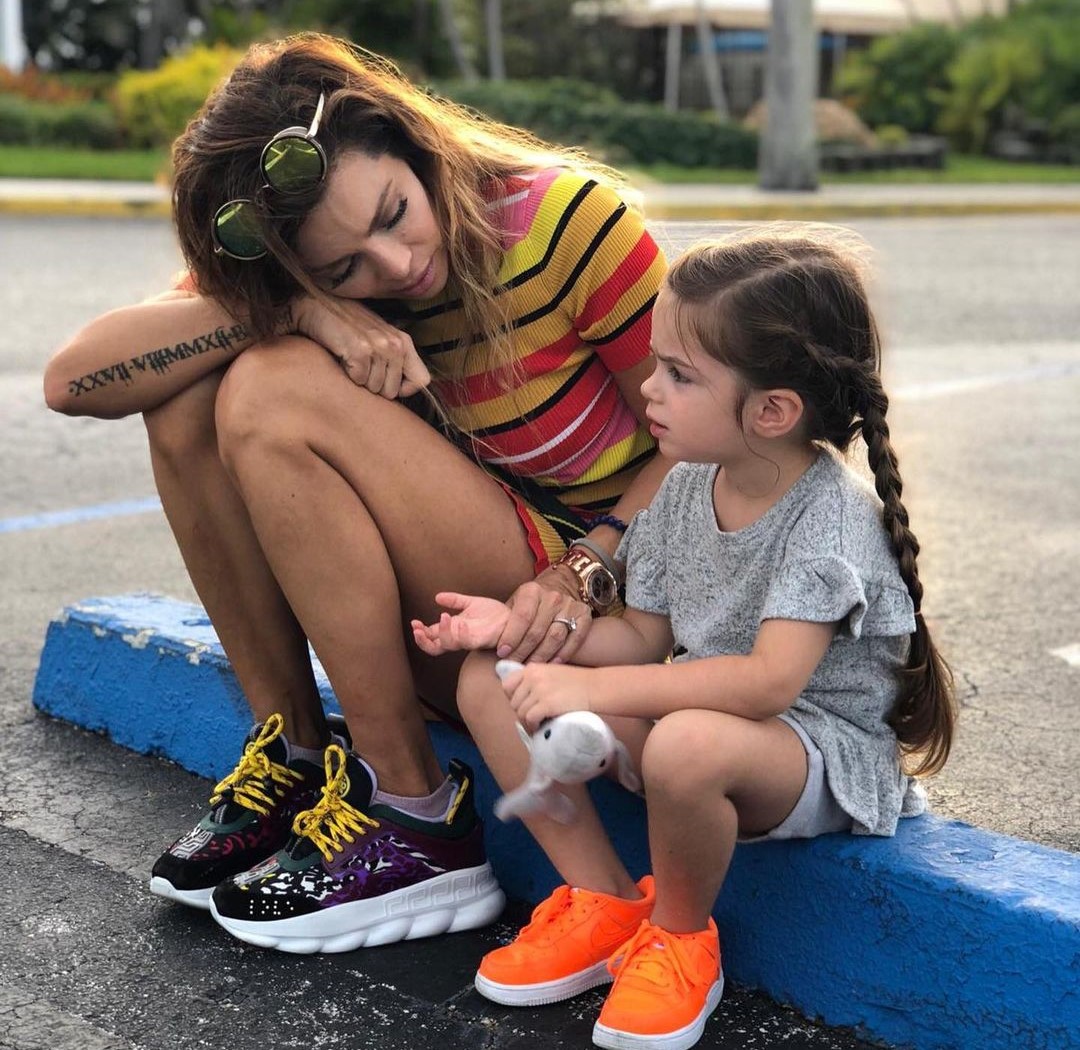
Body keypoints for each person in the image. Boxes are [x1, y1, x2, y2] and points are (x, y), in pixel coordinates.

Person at [42, 32, 672, 951]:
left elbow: (709, 451)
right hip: (456, 634)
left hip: (596, 617)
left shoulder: (564, 224)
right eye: (345, 267)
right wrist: (296, 306)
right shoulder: (306, 279)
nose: (396, 265)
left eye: (394, 213)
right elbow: (73, 382)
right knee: (187, 401)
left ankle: (415, 815)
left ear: (410, 144)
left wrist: (585, 569)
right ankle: (297, 760)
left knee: (270, 391)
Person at [412, 229, 957, 1050]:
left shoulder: (830, 519)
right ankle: (602, 901)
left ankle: (678, 940)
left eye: (678, 374)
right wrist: (523, 635)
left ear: (772, 411)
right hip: (700, 724)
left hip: (812, 754)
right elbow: (640, 636)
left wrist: (588, 690)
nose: (648, 388)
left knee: (686, 745)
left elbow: (766, 685)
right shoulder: (683, 488)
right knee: (491, 676)